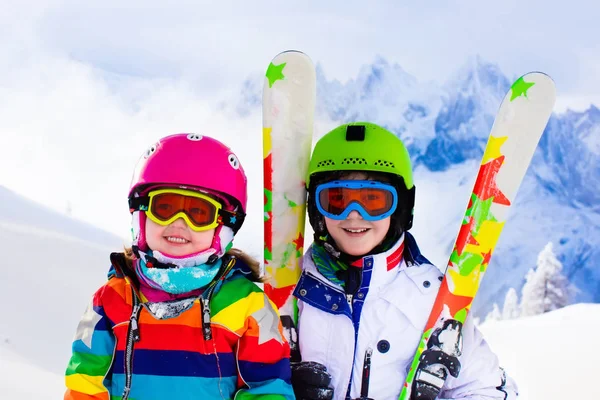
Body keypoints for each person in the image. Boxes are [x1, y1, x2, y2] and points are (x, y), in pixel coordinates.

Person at [290, 123, 518, 400]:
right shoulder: (288, 289)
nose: (353, 214)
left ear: (400, 208)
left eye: (373, 201)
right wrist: (280, 389)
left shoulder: (435, 301)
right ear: (316, 208)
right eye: (336, 199)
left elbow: (488, 389)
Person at [64, 133, 294, 400]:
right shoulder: (111, 300)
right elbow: (84, 385)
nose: (180, 222)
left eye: (199, 213)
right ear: (141, 216)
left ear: (223, 227)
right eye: (165, 207)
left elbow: (268, 388)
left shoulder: (247, 306)